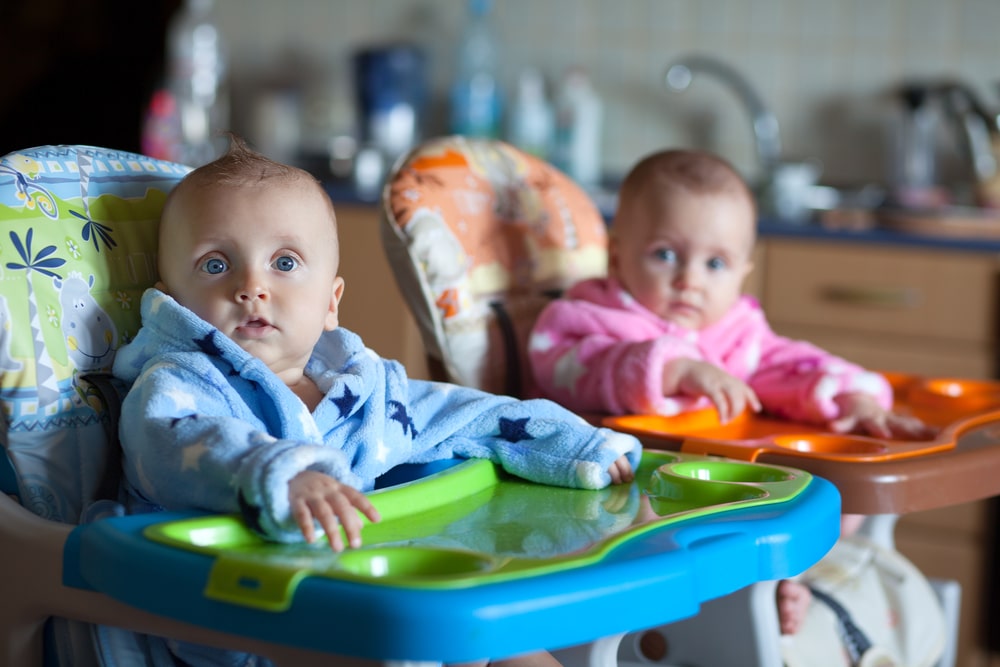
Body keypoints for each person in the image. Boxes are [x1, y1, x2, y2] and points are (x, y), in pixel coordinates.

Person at [110, 135, 641, 667]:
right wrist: (280, 474)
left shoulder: (362, 390)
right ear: (172, 301)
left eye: (286, 263)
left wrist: (572, 446)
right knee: (408, 641)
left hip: (356, 596)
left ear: (331, 303)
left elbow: (464, 416)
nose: (252, 286)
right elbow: (176, 440)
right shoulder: (178, 383)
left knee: (503, 643)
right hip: (241, 620)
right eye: (216, 265)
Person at [527, 148, 944, 665]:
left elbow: (792, 365)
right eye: (665, 254)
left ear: (744, 273)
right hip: (622, 503)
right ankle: (761, 593)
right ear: (617, 255)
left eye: (715, 263)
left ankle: (782, 587)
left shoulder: (734, 335)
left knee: (820, 499)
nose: (690, 279)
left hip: (719, 494)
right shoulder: (590, 316)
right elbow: (563, 365)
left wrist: (852, 396)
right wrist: (670, 368)